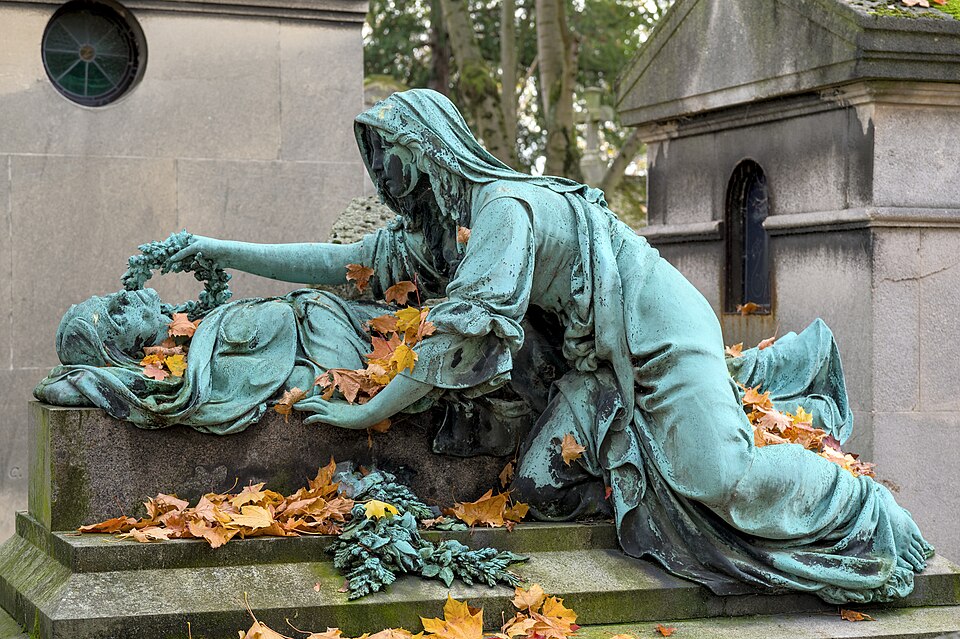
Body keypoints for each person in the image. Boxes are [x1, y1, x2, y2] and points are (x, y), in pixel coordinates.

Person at [41, 89, 932, 604]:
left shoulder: (500, 213)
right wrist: (218, 247)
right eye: (380, 173)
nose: (390, 186)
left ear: (433, 156)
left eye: (398, 167)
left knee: (718, 477)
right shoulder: (444, 236)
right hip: (593, 367)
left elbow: (457, 346)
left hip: (658, 336)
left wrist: (368, 407)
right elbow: (343, 264)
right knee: (544, 486)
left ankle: (864, 515)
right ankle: (638, 450)